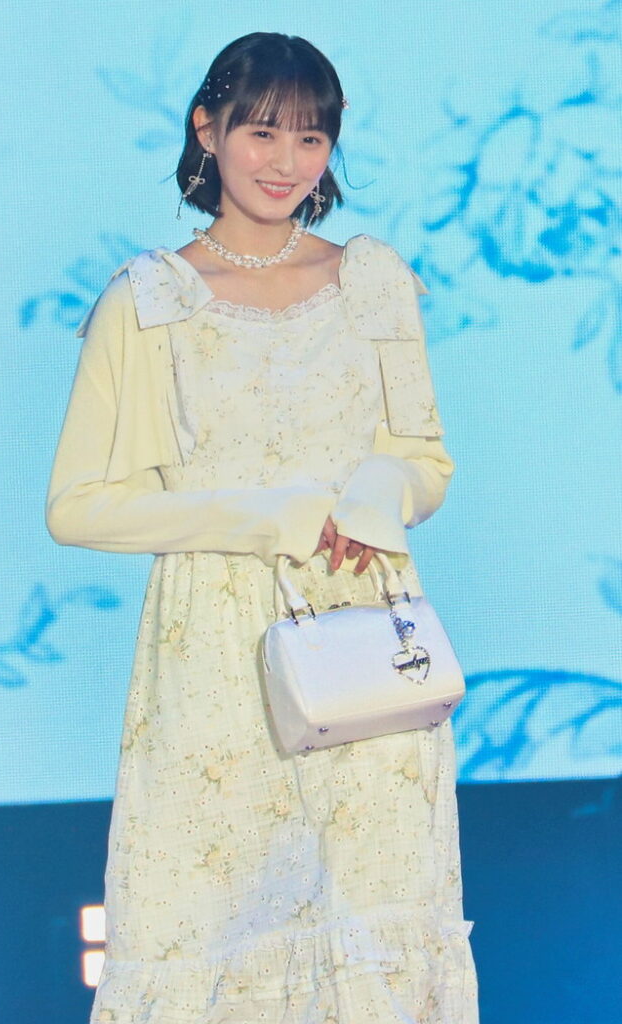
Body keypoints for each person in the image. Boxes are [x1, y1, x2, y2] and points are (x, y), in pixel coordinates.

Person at [47, 31, 479, 1024]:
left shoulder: (373, 279)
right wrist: (266, 515)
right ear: (207, 129)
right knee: (214, 934)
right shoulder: (149, 299)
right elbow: (77, 505)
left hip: (367, 640)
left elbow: (425, 459)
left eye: (310, 138)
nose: (285, 161)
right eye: (262, 132)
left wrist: (374, 496)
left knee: (374, 928)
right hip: (214, 655)